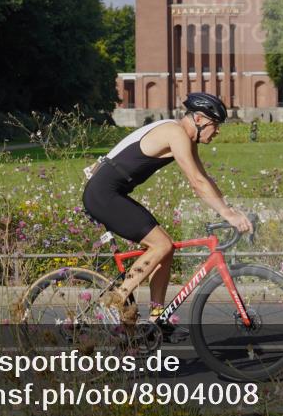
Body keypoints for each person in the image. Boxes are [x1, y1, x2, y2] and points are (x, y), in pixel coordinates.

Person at [82, 92, 252, 341]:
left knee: (166, 247)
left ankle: (156, 319)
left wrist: (231, 210)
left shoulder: (184, 137)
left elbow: (204, 179)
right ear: (199, 119)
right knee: (160, 244)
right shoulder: (176, 134)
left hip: (111, 192)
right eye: (215, 125)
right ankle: (114, 299)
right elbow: (195, 183)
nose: (216, 132)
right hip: (103, 194)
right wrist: (228, 215)